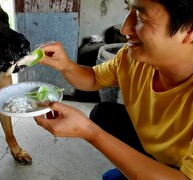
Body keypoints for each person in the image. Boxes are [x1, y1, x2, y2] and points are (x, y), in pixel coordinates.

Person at [34, 0, 193, 179]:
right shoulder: (131, 58)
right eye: (128, 9)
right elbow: (93, 79)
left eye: (141, 17)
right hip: (152, 147)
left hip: (180, 170)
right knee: (103, 114)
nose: (124, 29)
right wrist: (66, 65)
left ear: (189, 30)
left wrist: (91, 133)